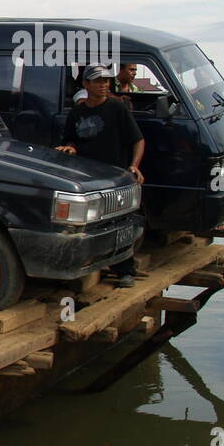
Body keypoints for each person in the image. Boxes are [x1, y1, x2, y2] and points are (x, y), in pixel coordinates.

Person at [56, 64, 145, 288]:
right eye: (98, 81)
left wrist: (134, 166)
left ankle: (126, 271)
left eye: (106, 81)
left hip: (114, 177)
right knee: (89, 226)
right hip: (87, 179)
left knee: (120, 224)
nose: (104, 85)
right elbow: (70, 140)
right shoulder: (77, 112)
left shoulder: (117, 108)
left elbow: (138, 140)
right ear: (86, 85)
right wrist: (70, 148)